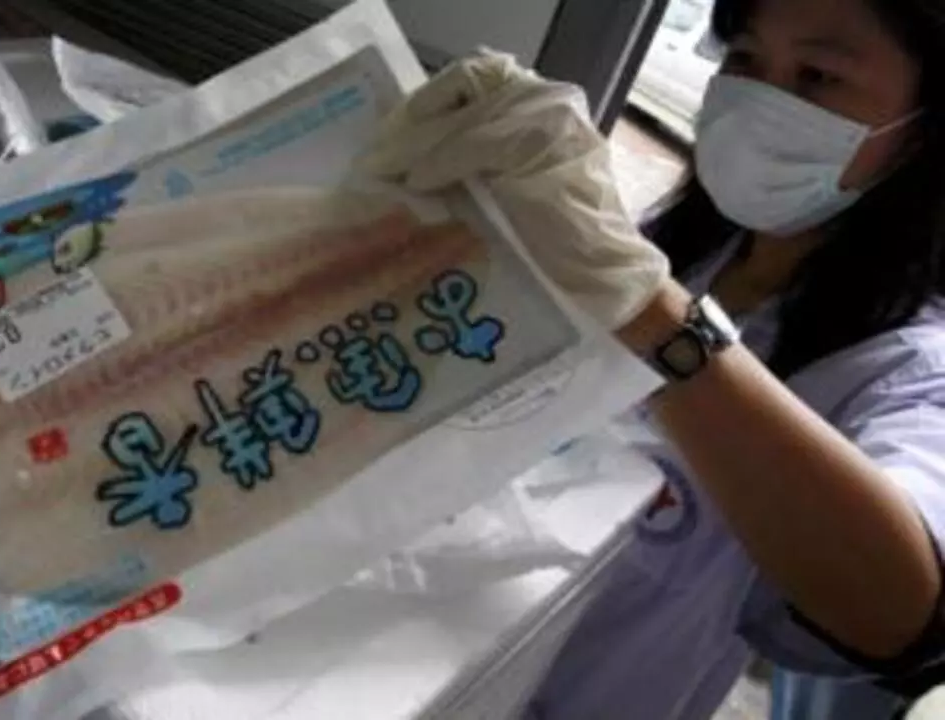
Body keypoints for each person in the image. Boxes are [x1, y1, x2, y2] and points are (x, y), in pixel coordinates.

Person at [363, 0, 945, 717]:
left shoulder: (908, 368)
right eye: (744, 59)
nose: (761, 100)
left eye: (818, 75)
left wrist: (649, 314)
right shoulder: (681, 248)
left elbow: (896, 612)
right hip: (403, 652)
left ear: (922, 130)